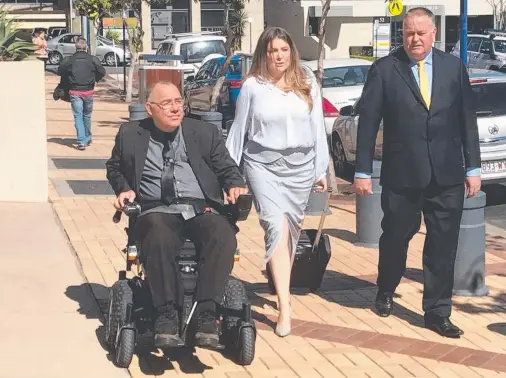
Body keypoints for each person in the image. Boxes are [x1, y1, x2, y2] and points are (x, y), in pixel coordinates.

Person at [353, 7, 481, 338]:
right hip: (402, 174)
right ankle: (386, 287)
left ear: (434, 33)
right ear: (403, 34)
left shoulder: (454, 68)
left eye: (421, 33)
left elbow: (467, 119)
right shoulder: (384, 70)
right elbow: (368, 124)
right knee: (396, 236)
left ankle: (437, 311)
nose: (415, 39)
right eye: (409, 33)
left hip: (447, 173)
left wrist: (474, 167)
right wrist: (363, 170)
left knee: (442, 244)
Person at [106, 80, 248, 349]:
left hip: (199, 206)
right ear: (150, 109)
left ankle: (207, 315)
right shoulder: (129, 134)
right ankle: (166, 315)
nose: (175, 108)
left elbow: (227, 168)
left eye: (178, 102)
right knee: (159, 234)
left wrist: (233, 184)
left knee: (222, 234)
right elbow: (114, 168)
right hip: (155, 208)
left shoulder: (203, 133)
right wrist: (123, 189)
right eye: (166, 103)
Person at [225, 27, 330, 338]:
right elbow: (238, 131)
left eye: (284, 50)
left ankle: (277, 276)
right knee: (276, 226)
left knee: (289, 234)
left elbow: (317, 128)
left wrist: (320, 170)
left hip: (300, 168)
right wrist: (228, 174)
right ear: (264, 54)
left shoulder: (307, 81)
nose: (279, 56)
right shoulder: (253, 87)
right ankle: (285, 306)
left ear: (291, 52)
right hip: (263, 166)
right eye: (273, 51)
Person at [58, 37, 106, 150]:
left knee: (78, 116)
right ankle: (87, 137)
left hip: (74, 91)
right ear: (86, 47)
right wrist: (95, 79)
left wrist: (68, 78)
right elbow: (102, 72)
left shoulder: (69, 60)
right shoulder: (92, 59)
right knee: (87, 115)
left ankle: (81, 140)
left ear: (76, 47)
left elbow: (60, 71)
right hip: (88, 91)